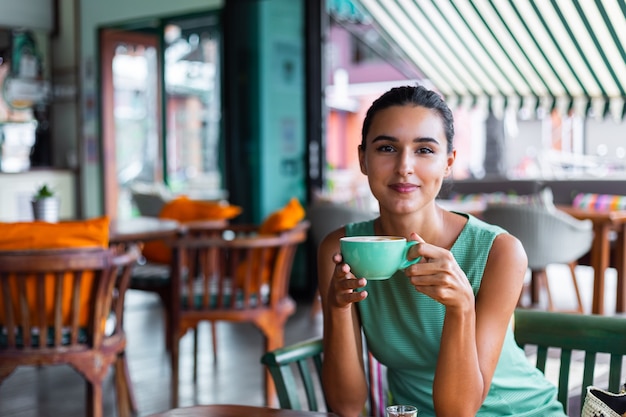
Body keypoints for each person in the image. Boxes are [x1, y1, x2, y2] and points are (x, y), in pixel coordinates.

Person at [317, 85, 567, 417]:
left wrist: (462, 306)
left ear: (448, 163)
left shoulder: (499, 252)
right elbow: (346, 406)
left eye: (424, 150)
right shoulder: (341, 250)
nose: (404, 166)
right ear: (363, 158)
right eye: (387, 148)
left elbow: (459, 411)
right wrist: (336, 308)